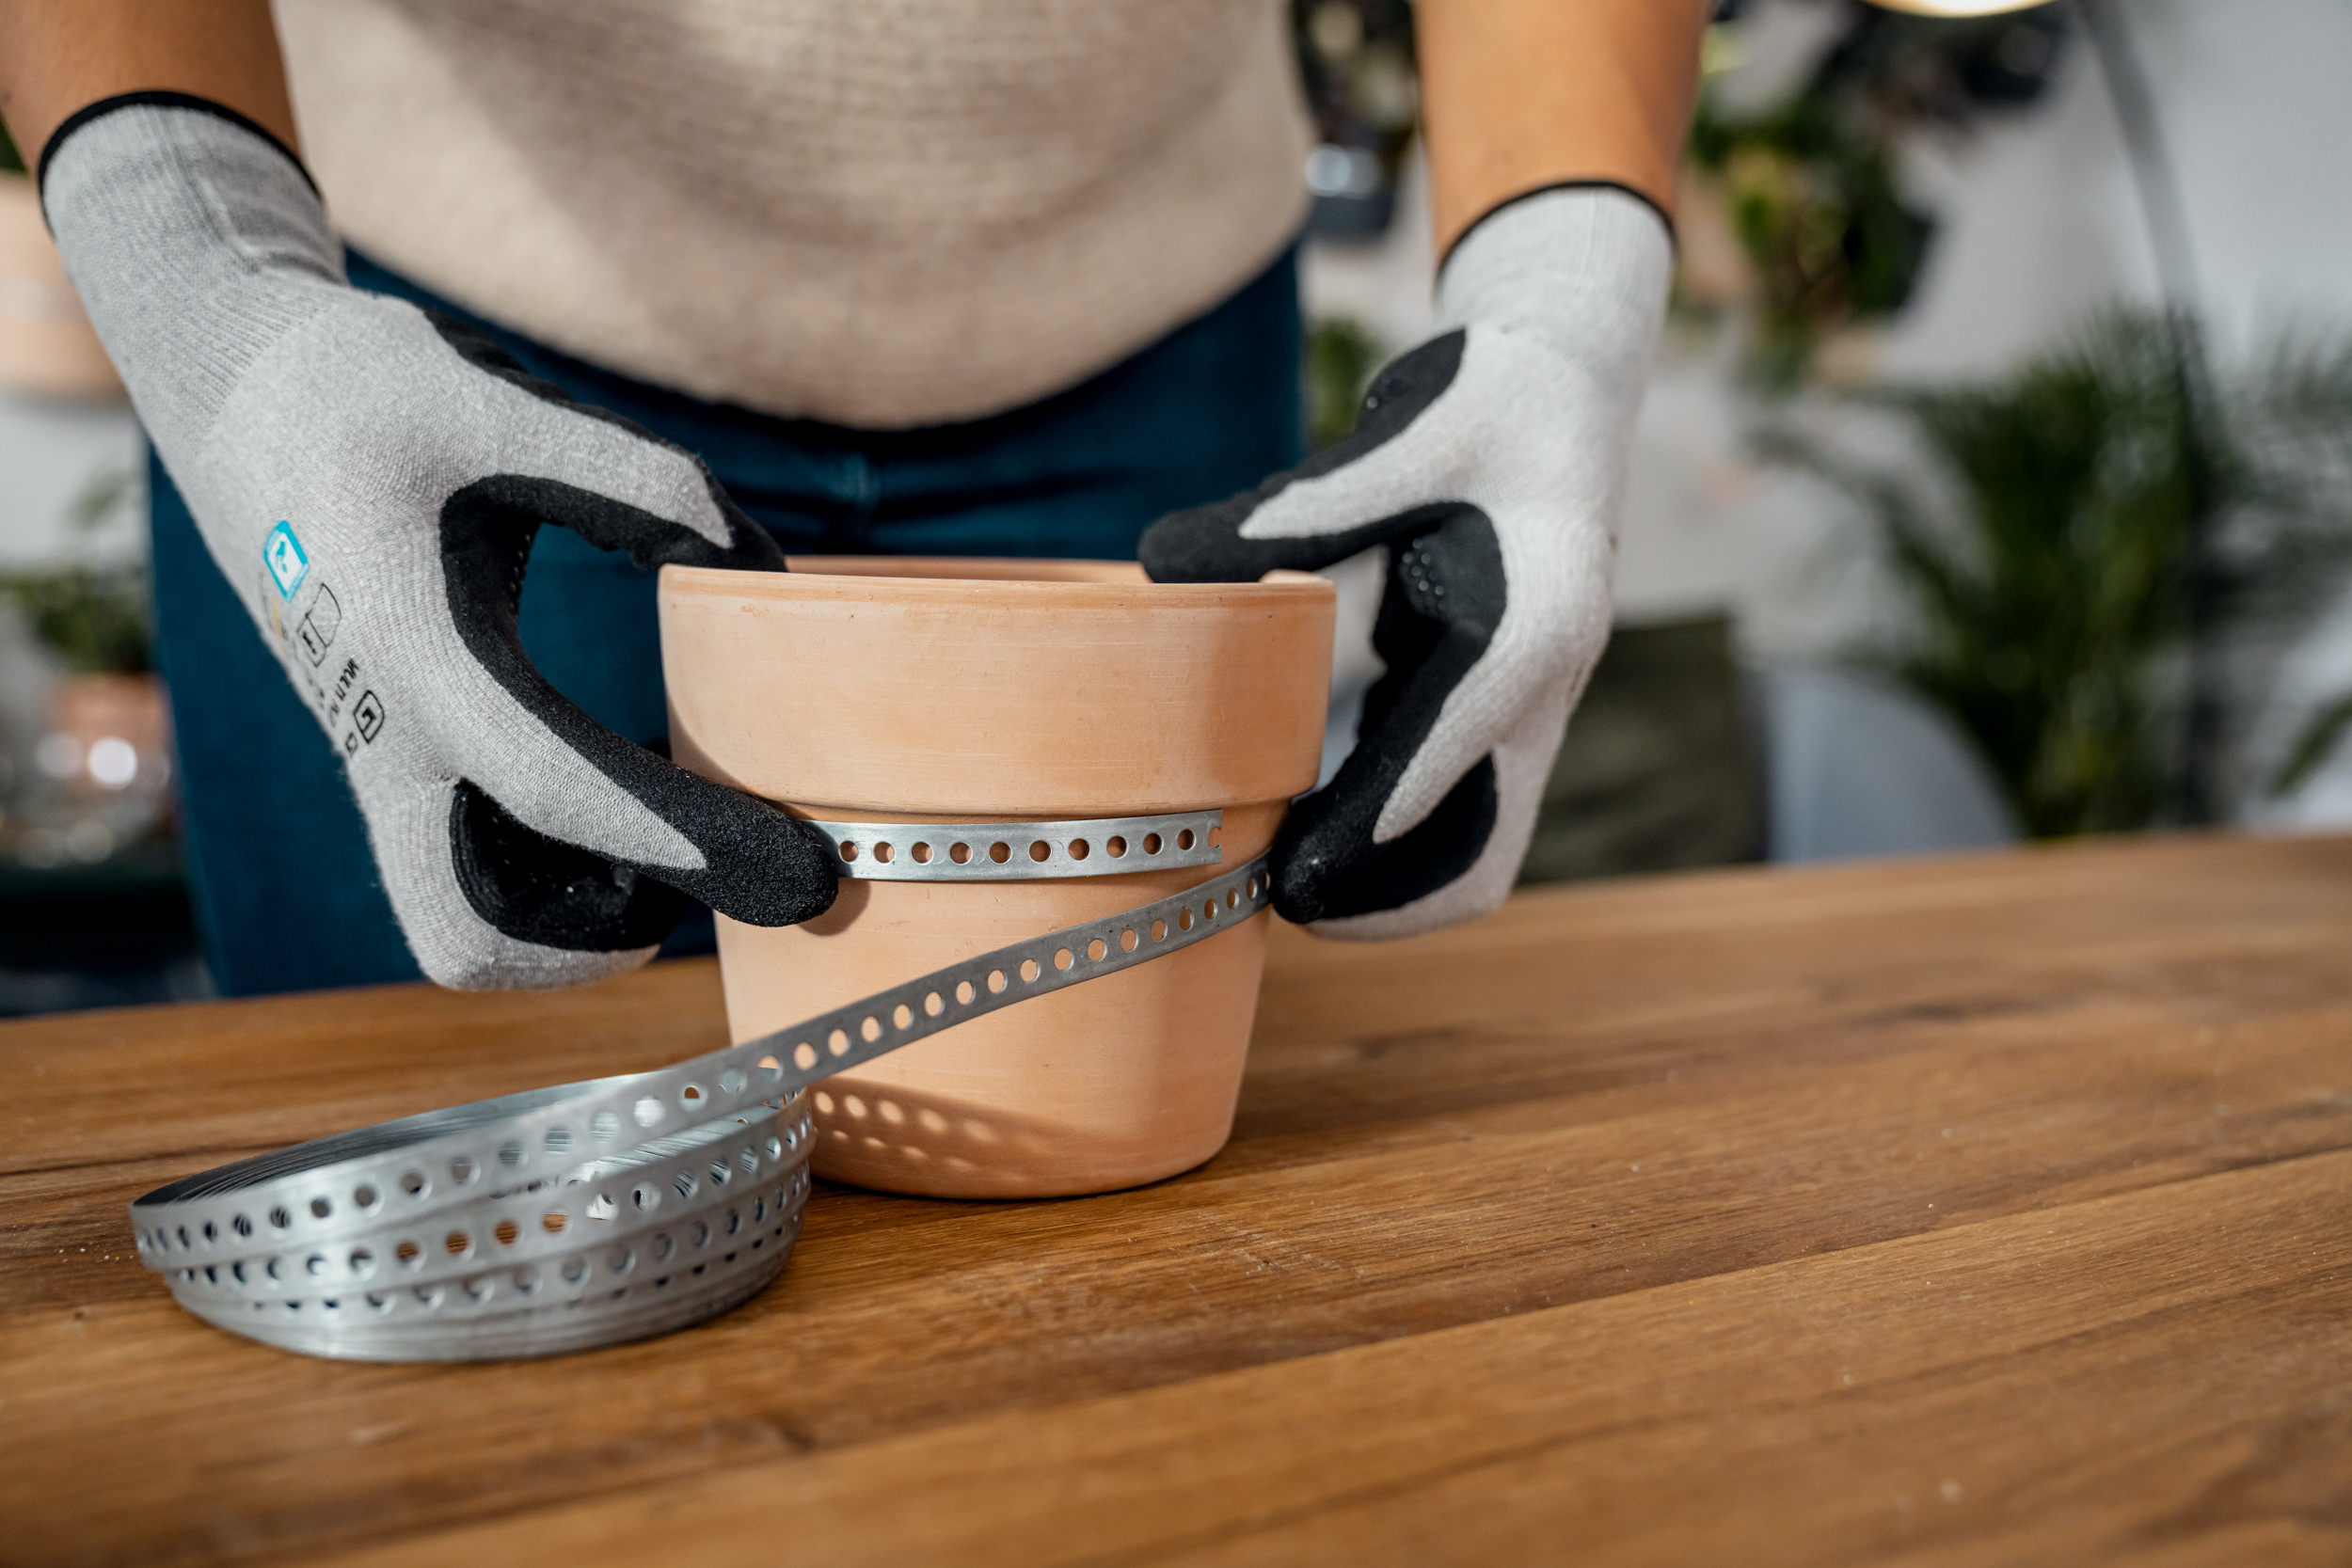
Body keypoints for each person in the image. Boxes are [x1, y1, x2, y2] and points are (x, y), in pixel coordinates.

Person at [0, 0, 1703, 995]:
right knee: (438, 1162)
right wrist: (211, 288)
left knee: (1125, 1265)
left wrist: (1569, 299)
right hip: (430, 337)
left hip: (1151, 298)